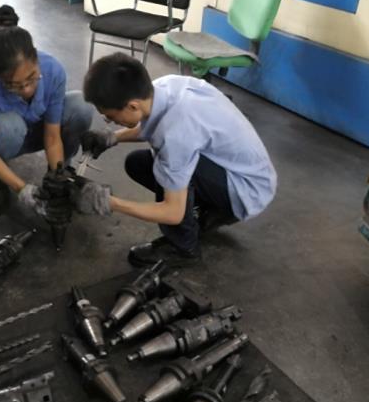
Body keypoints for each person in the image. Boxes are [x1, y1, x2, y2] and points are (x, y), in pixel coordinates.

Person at [77, 52, 277, 268]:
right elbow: (153, 124)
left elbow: (172, 213)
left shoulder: (175, 135)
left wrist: (109, 202)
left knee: (164, 165)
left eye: (111, 117)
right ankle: (205, 211)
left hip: (246, 191)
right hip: (247, 173)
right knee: (138, 163)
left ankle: (183, 247)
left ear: (133, 106)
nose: (108, 121)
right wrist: (112, 137)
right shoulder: (164, 87)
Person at [0, 9, 93, 217]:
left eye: (32, 78)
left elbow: (52, 136)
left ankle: (61, 172)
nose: (26, 89)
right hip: (9, 140)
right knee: (6, 127)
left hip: (43, 132)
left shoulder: (53, 70)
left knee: (81, 105)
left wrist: (56, 178)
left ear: (36, 58)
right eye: (13, 85)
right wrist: (22, 189)